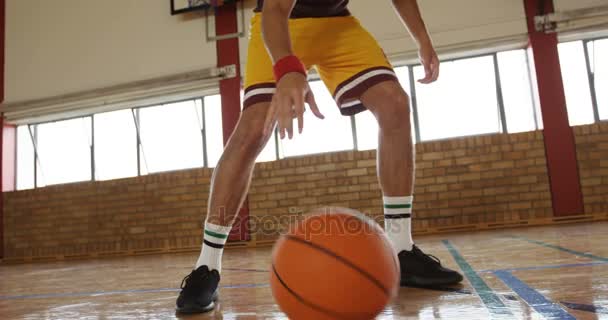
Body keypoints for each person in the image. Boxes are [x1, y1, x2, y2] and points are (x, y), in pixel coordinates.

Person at [176, 0, 463, 314]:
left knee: (395, 103)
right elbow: (274, 10)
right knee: (254, 130)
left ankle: (401, 250)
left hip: (337, 26)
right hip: (280, 25)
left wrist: (422, 39)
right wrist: (287, 70)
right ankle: (207, 266)